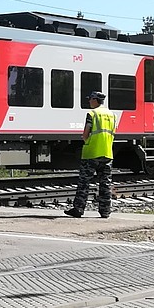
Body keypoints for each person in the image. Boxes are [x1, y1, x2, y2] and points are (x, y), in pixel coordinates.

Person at [65, 91, 116, 219]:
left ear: (95, 100)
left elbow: (85, 134)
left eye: (90, 99)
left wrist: (86, 140)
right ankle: (105, 211)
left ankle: (78, 209)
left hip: (91, 153)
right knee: (105, 183)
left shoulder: (92, 114)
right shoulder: (112, 115)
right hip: (107, 153)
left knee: (84, 183)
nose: (89, 101)